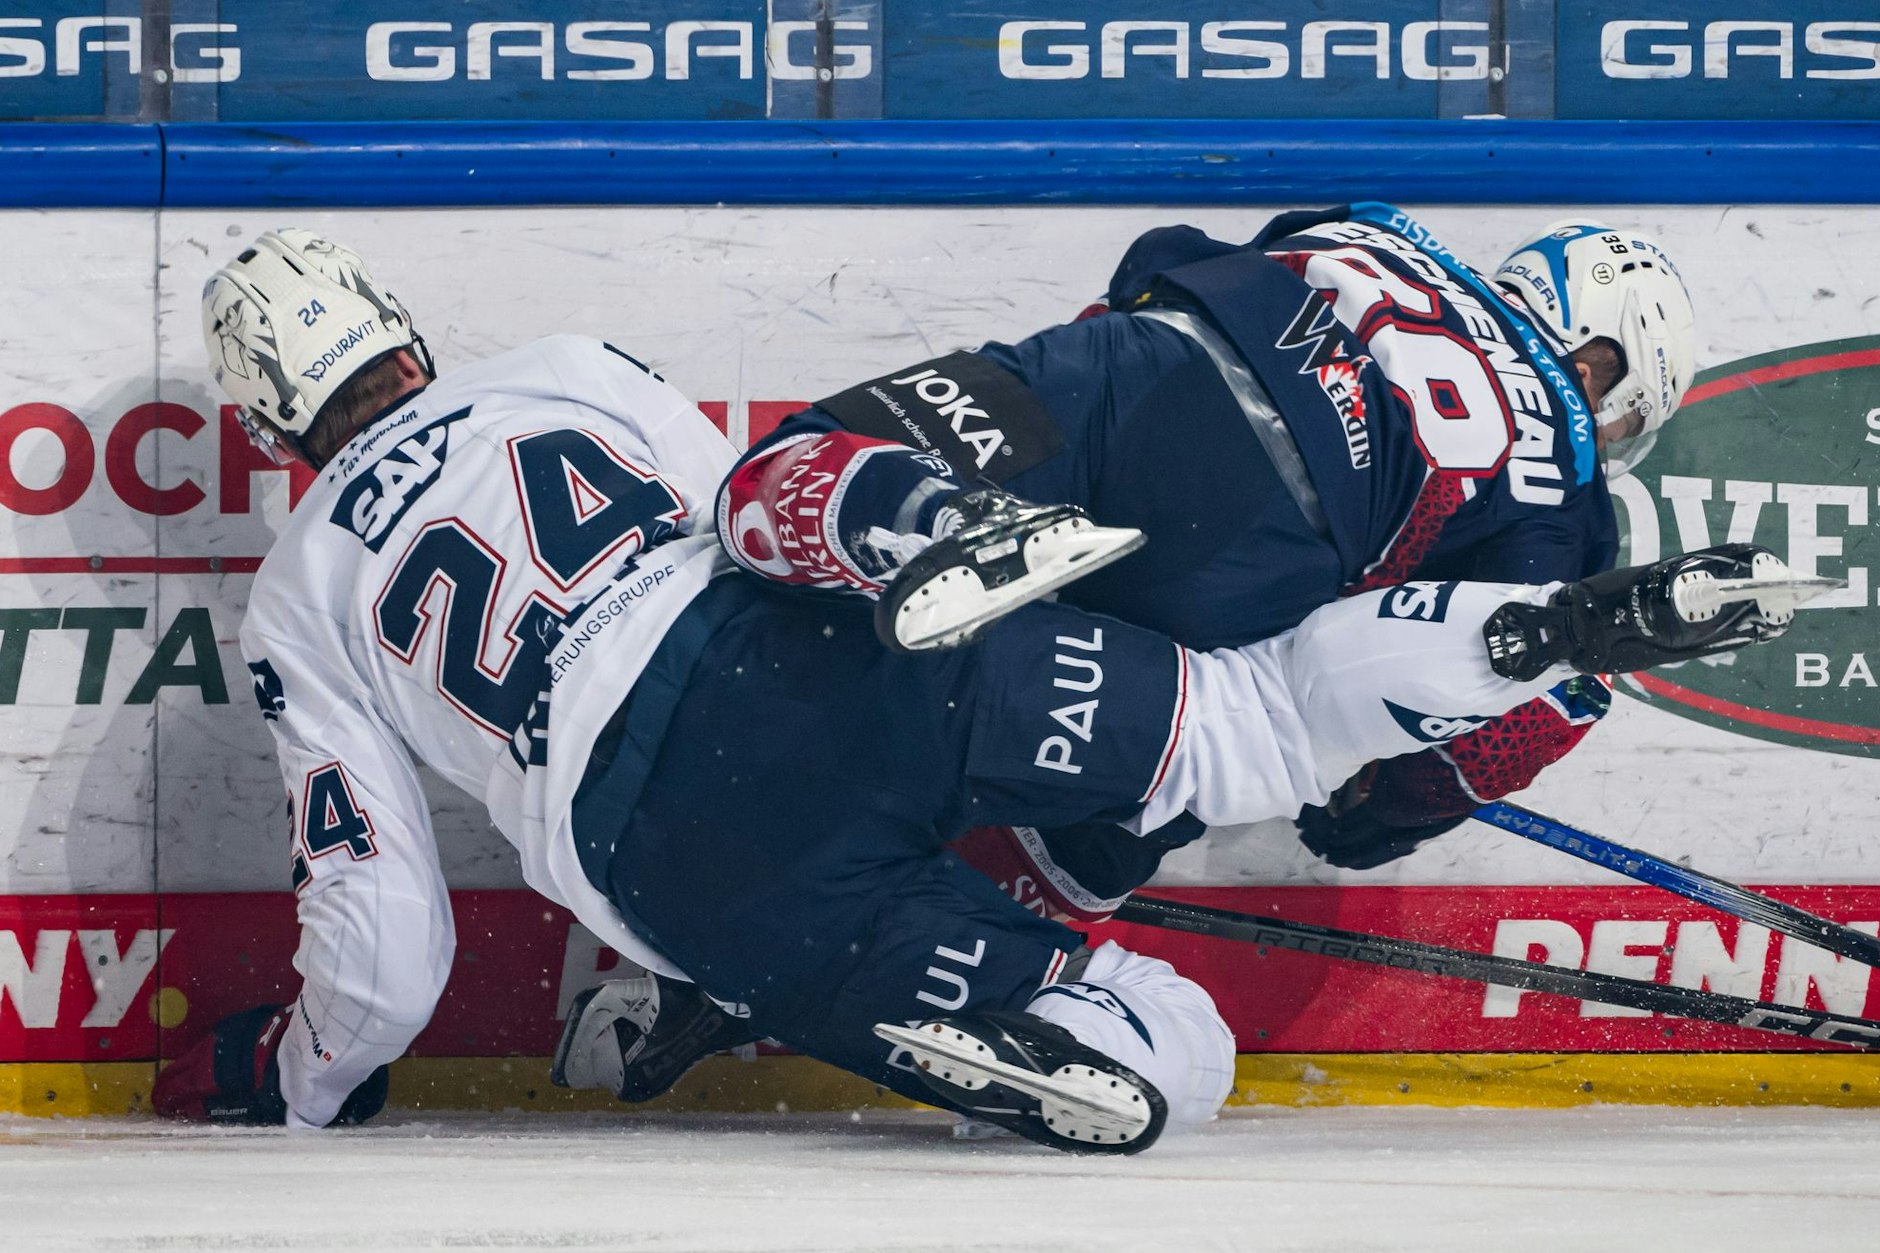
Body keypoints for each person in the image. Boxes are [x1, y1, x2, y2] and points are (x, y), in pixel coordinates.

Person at [149, 229, 1770, 1154]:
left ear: (261, 424)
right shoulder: (565, 367)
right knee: (1250, 717)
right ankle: (1512, 633)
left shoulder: (299, 595)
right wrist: (1384, 791)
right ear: (406, 331)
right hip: (851, 664)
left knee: (1167, 1061)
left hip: (669, 843)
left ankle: (880, 973)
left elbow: (387, 955)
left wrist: (293, 1081)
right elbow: (721, 518)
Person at [557, 205, 1701, 1104]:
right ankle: (903, 972)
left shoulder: (1373, 227)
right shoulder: (1567, 491)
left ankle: (942, 515)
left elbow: (1162, 263)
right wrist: (1377, 809)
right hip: (1261, 530)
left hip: (1112, 372)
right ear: (1614, 374)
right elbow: (1512, 713)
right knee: (1176, 761)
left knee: (802, 469)